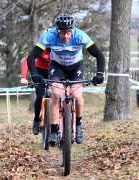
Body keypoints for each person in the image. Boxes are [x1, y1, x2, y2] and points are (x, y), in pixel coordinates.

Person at [27, 13, 105, 146]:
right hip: (57, 66)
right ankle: (53, 131)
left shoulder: (80, 35)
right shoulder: (49, 36)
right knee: (56, 94)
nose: (66, 36)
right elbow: (31, 56)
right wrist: (34, 74)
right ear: (57, 31)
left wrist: (100, 73)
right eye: (62, 33)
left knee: (76, 94)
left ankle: (79, 125)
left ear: (73, 30)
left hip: (76, 67)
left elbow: (99, 55)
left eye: (69, 32)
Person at [20, 33, 51, 135]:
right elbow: (26, 61)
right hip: (39, 72)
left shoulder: (58, 49)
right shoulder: (40, 48)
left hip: (53, 72)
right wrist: (23, 77)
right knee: (40, 96)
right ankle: (36, 120)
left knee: (58, 95)